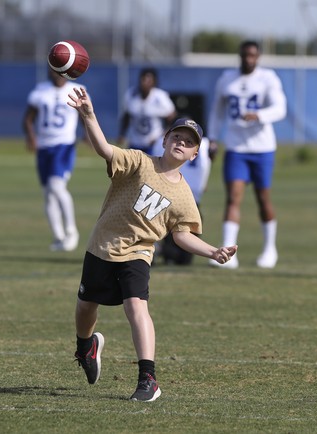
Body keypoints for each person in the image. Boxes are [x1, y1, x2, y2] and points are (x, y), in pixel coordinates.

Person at [67, 87, 238, 402]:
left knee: (136, 307)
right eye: (176, 137)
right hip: (102, 246)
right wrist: (88, 115)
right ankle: (86, 346)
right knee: (86, 307)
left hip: (138, 253)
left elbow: (182, 234)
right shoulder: (139, 161)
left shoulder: (185, 196)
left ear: (195, 154)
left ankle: (148, 379)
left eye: (189, 142)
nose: (181, 143)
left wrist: (213, 251)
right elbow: (105, 149)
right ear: (164, 139)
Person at [207, 40, 287, 269]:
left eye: (252, 55)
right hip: (236, 147)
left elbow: (280, 108)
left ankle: (270, 248)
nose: (248, 59)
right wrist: (212, 138)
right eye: (245, 55)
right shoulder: (227, 79)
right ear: (240, 56)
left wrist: (259, 115)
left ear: (258, 57)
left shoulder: (268, 78)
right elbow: (217, 111)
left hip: (262, 148)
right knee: (233, 197)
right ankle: (228, 252)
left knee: (263, 199)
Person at [23, 68, 83, 252]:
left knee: (57, 187)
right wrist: (31, 137)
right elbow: (27, 119)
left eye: (60, 70)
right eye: (54, 69)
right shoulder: (40, 91)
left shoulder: (76, 90)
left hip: (64, 145)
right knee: (48, 193)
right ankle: (58, 237)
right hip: (44, 147)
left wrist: (89, 135)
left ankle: (72, 231)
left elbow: (85, 116)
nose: (57, 74)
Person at [152, 136, 211, 265]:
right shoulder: (205, 143)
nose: (182, 142)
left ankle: (161, 251)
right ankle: (158, 251)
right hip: (189, 197)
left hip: (173, 195)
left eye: (188, 141)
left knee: (179, 248)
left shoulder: (162, 142)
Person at [117, 67, 177, 155]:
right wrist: (122, 134)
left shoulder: (160, 97)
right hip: (135, 142)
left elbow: (172, 117)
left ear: (154, 81)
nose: (145, 82)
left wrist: (164, 135)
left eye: (149, 79)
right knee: (131, 167)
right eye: (143, 79)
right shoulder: (131, 95)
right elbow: (127, 116)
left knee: (153, 168)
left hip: (154, 143)